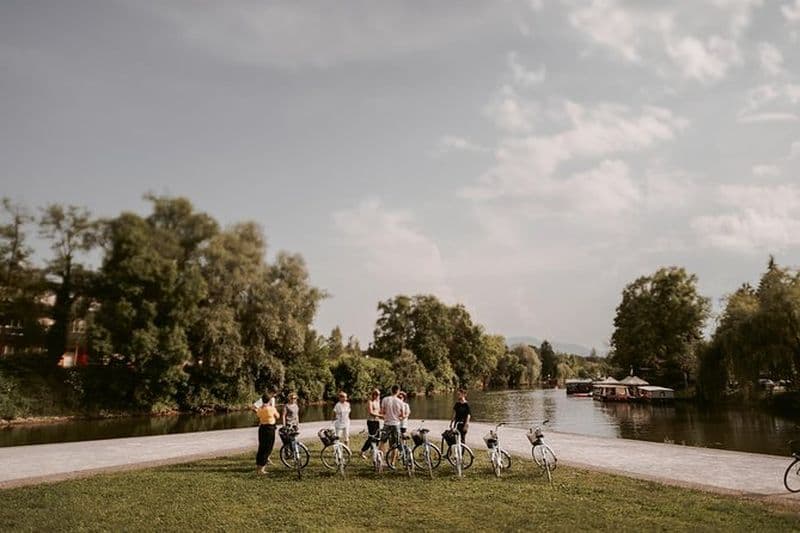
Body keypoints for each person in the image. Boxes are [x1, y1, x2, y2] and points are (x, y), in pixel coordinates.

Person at [254, 391, 280, 474]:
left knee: (261, 447)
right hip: (270, 429)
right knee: (268, 448)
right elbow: (278, 416)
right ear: (269, 400)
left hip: (262, 428)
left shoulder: (260, 409)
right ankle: (262, 469)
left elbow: (258, 415)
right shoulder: (271, 408)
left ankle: (258, 467)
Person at [379, 384, 404, 456]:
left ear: (391, 390)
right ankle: (392, 461)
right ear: (398, 391)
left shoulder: (385, 399)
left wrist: (386, 415)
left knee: (382, 441)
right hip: (396, 424)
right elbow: (402, 415)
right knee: (395, 444)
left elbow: (382, 412)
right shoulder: (400, 402)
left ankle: (381, 458)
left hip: (387, 423)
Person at [360, 389, 383, 458]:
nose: (378, 396)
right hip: (371, 421)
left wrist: (383, 415)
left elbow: (379, 411)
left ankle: (373, 451)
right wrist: (380, 416)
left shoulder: (378, 401)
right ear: (374, 395)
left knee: (377, 437)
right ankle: (362, 451)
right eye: (377, 394)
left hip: (377, 421)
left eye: (379, 394)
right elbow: (371, 412)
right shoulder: (370, 402)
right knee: (371, 437)